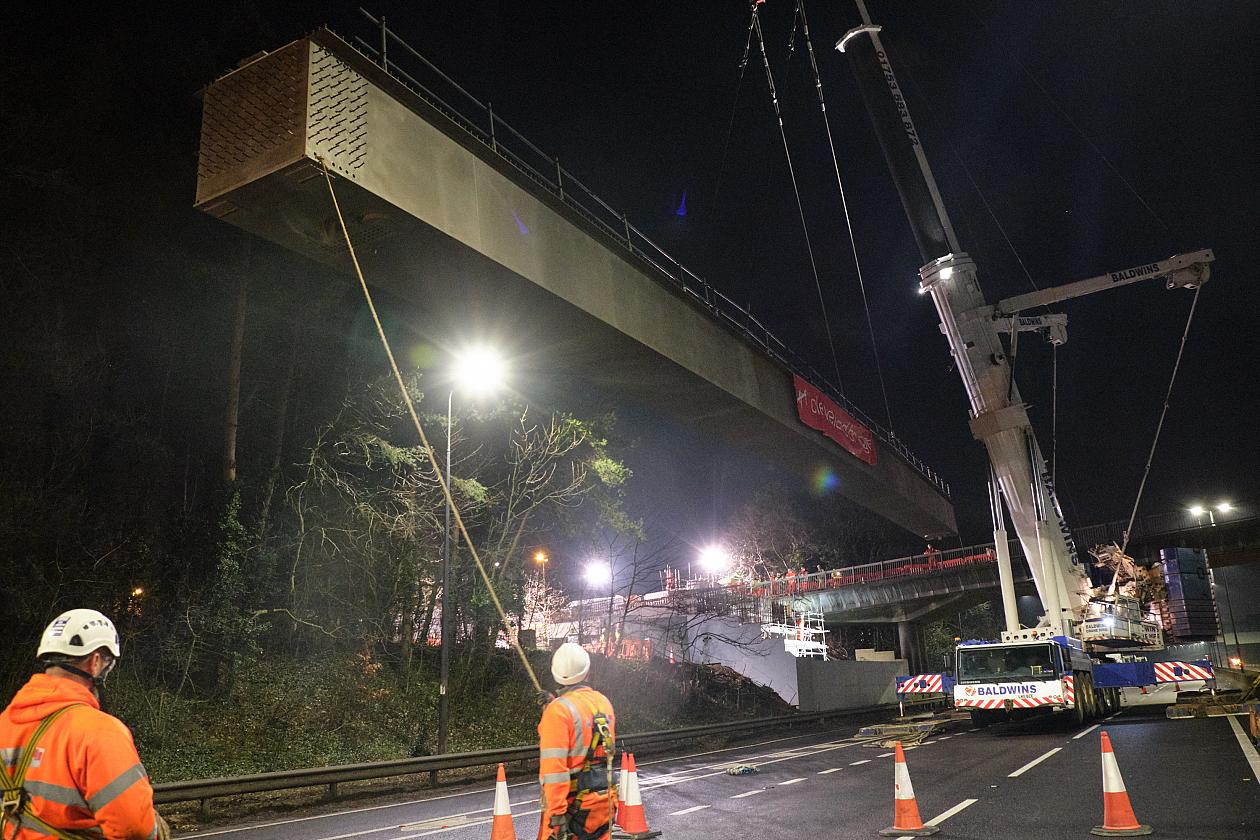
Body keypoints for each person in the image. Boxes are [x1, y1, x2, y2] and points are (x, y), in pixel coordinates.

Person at [0, 609, 169, 840]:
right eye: (108, 662)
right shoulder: (99, 732)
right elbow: (134, 829)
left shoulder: (5, 724)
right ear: (96, 661)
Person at [537, 643, 616, 840]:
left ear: (556, 674)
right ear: (587, 671)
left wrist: (556, 815)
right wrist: (553, 704)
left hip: (572, 808)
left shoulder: (559, 710)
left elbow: (554, 770)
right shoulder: (603, 703)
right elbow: (585, 735)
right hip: (602, 802)